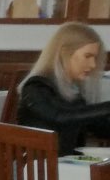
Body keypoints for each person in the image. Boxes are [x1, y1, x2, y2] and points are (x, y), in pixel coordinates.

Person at [17, 22, 110, 156]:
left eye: (94, 58)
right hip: (37, 167)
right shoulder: (35, 87)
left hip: (65, 165)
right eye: (87, 56)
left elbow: (99, 127)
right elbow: (60, 117)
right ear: (64, 53)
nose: (93, 65)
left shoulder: (72, 90)